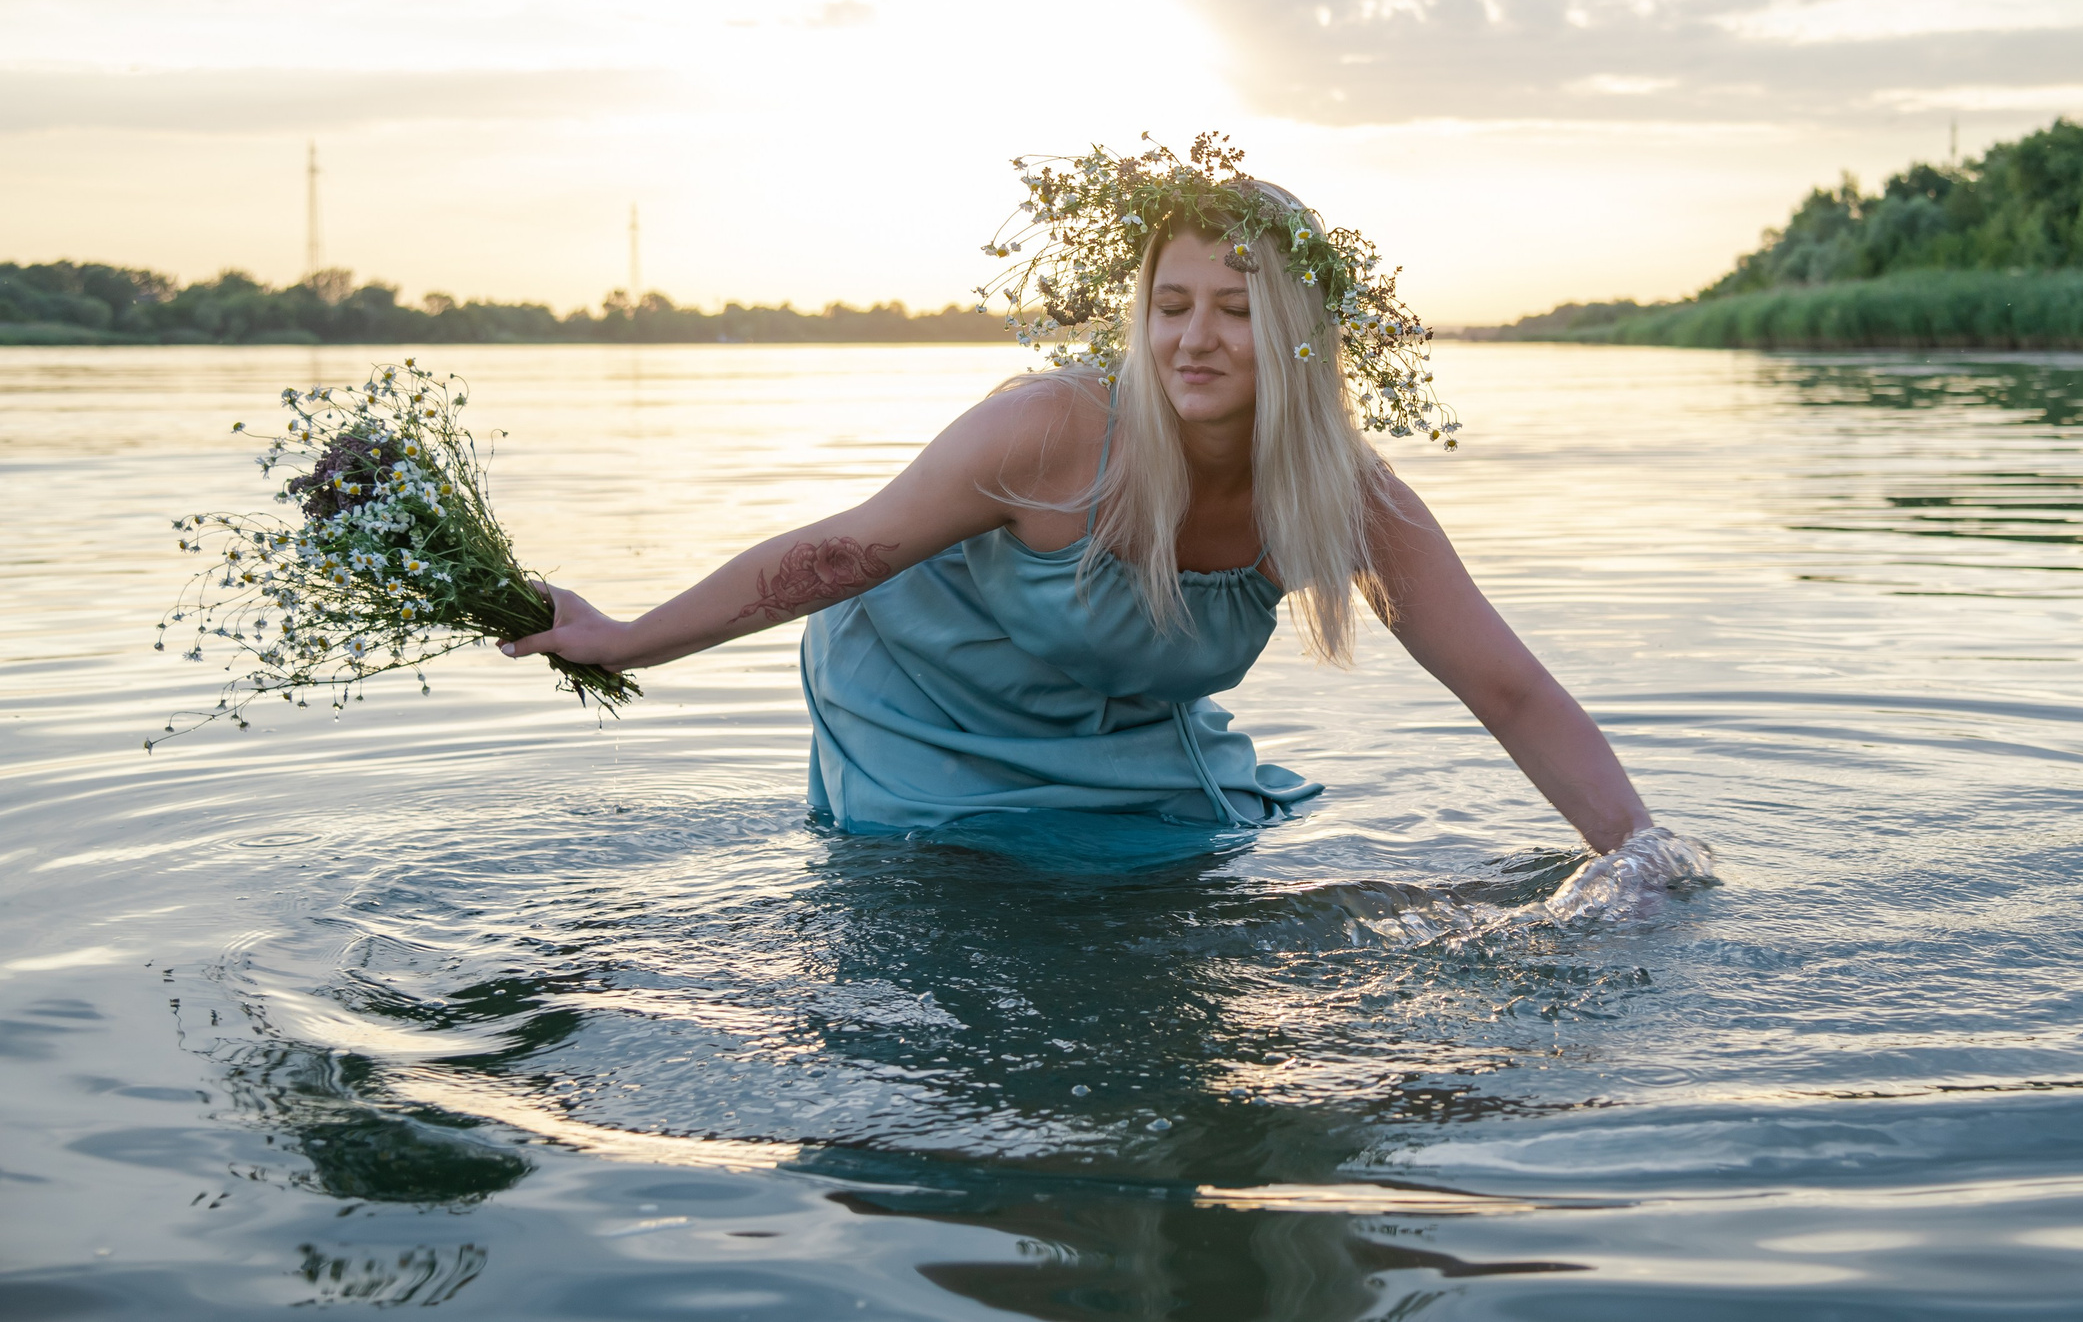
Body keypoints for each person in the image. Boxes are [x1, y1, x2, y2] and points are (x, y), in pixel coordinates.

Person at [505, 139, 1688, 878]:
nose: (1195, 335)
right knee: (979, 907)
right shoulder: (1055, 428)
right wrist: (620, 638)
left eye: (1234, 304)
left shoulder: (1348, 497)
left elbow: (1509, 686)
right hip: (928, 699)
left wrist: (1643, 856)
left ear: (1299, 326)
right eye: (1171, 303)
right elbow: (838, 554)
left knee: (1183, 890)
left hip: (1113, 720)